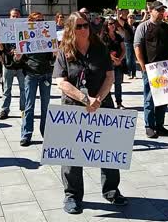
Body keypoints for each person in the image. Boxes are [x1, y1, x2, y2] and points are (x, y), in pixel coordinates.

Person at [53, 12, 128, 214]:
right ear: (70, 29)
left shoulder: (100, 49)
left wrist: (98, 99)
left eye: (85, 25)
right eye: (78, 26)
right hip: (74, 107)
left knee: (108, 152)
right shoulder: (65, 51)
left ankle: (111, 190)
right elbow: (61, 81)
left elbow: (110, 76)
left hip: (102, 104)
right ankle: (72, 196)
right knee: (71, 156)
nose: (83, 29)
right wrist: (85, 99)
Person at [134, 1, 168, 139]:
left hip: (165, 69)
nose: (160, 13)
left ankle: (160, 125)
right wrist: (142, 66)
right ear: (150, 10)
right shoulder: (143, 27)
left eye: (162, 10)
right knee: (149, 98)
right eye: (158, 10)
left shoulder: (167, 27)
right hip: (150, 69)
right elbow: (137, 47)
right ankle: (149, 126)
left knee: (163, 98)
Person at [15, 12, 54, 146]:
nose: (40, 23)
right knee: (29, 106)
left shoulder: (48, 35)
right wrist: (18, 56)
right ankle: (26, 135)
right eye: (37, 21)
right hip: (31, 75)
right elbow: (16, 59)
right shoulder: (24, 36)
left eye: (42, 20)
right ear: (31, 22)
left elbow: (53, 58)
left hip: (46, 75)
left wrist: (55, 54)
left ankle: (46, 133)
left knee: (46, 107)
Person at [0, 8, 26, 119]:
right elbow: (2, 48)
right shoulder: (4, 30)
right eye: (13, 16)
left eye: (17, 16)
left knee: (23, 89)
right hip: (8, 64)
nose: (15, 18)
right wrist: (0, 47)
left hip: (21, 65)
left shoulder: (24, 29)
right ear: (9, 17)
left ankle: (23, 110)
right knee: (6, 88)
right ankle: (5, 110)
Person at [101, 17, 126, 109]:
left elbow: (124, 49)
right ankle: (106, 102)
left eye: (113, 23)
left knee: (118, 84)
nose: (112, 25)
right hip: (107, 64)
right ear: (106, 25)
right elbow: (103, 51)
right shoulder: (103, 37)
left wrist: (120, 59)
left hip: (118, 64)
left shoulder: (118, 36)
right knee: (107, 83)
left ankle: (119, 103)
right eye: (110, 24)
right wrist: (114, 59)